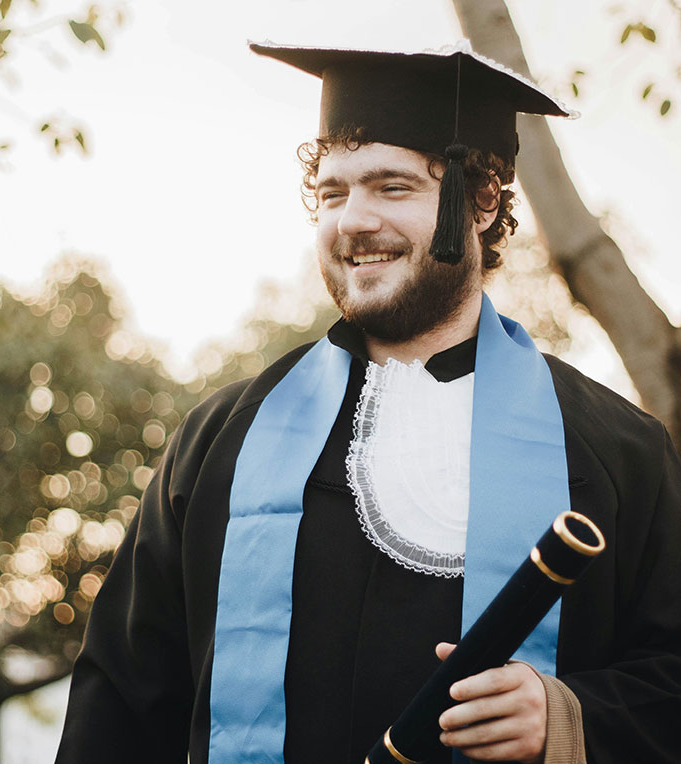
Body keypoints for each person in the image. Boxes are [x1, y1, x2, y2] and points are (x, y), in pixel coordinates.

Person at [55, 41, 681, 764]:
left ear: (482, 202)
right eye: (332, 192)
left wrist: (570, 717)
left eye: (391, 187)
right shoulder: (220, 439)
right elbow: (121, 707)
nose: (351, 220)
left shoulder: (614, 452)